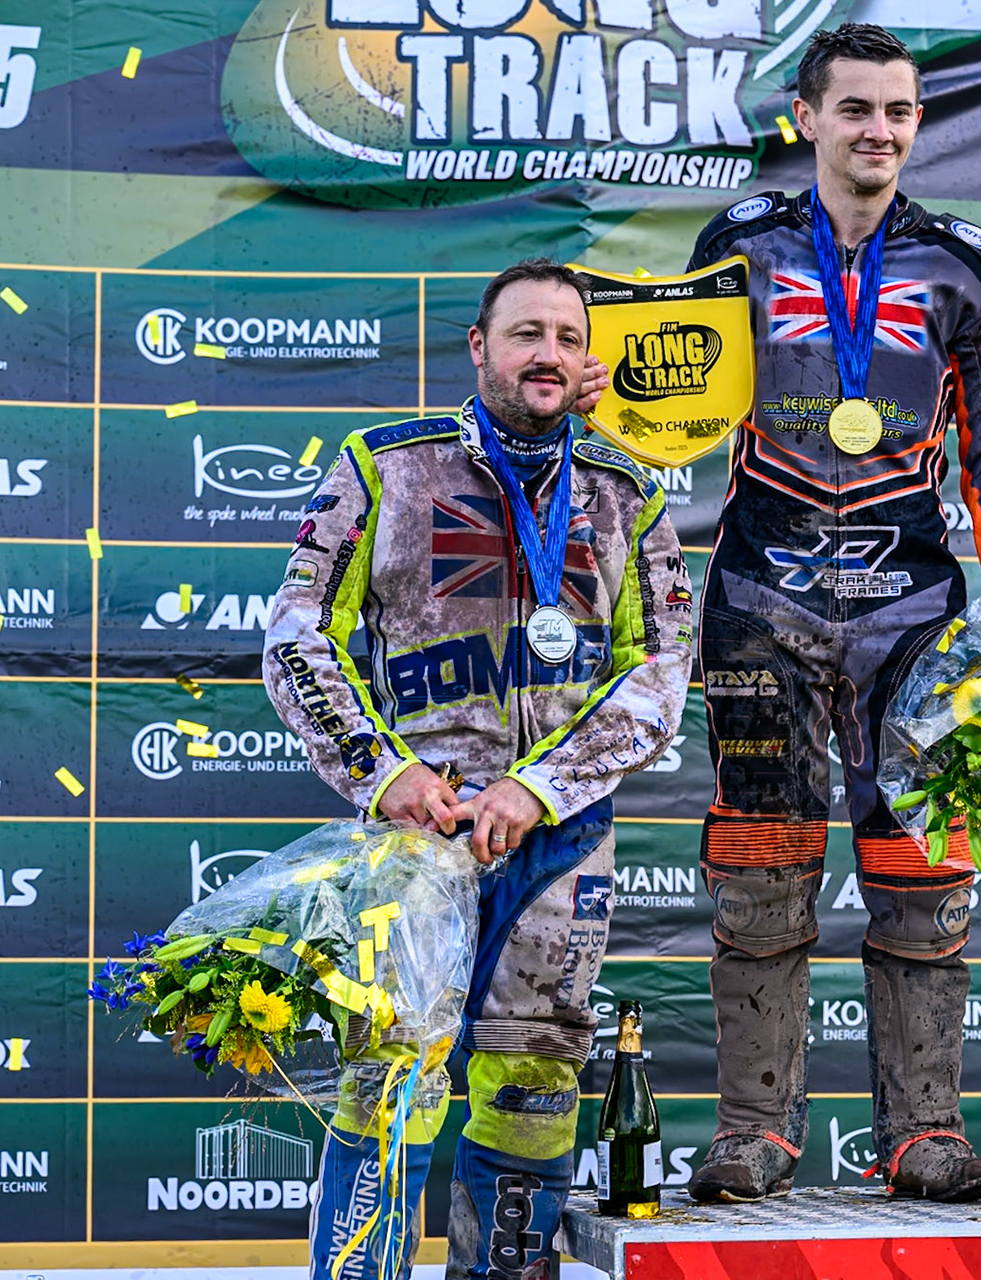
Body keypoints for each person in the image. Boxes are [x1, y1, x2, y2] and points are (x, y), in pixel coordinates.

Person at [262, 258, 694, 1280]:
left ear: (586, 360)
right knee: (389, 1081)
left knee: (533, 1087)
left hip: (561, 841)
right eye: (526, 333)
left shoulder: (627, 492)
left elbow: (665, 665)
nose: (549, 354)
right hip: (417, 837)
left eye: (568, 338)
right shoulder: (387, 468)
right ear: (479, 347)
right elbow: (295, 633)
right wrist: (384, 773)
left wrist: (540, 786)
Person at [681, 23, 981, 1204]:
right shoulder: (735, 244)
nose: (878, 130)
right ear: (807, 116)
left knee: (923, 865)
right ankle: (753, 1131)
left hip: (913, 604)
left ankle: (924, 1133)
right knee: (758, 859)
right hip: (761, 592)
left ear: (917, 123)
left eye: (898, 111)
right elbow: (676, 407)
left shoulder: (967, 262)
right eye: (855, 109)